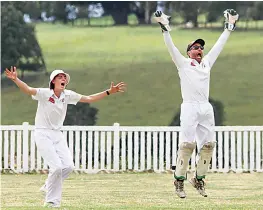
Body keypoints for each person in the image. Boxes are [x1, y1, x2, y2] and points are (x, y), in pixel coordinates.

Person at [5, 67, 127, 208]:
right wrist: (16, 79)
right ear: (53, 80)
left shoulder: (67, 95)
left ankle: (48, 185)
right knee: (56, 167)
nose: (63, 79)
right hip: (42, 133)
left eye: (64, 78)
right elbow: (28, 90)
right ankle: (52, 202)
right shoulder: (45, 93)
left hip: (57, 134)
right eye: (60, 77)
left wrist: (108, 92)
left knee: (68, 166)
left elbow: (89, 99)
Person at [154, 9, 239, 198]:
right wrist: (164, 27)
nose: (200, 50)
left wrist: (229, 27)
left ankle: (198, 180)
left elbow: (219, 46)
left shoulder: (207, 63)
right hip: (190, 106)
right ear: (189, 52)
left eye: (201, 48)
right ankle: (179, 181)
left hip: (205, 107)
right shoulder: (183, 64)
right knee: (187, 145)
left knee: (209, 146)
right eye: (195, 47)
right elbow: (171, 48)